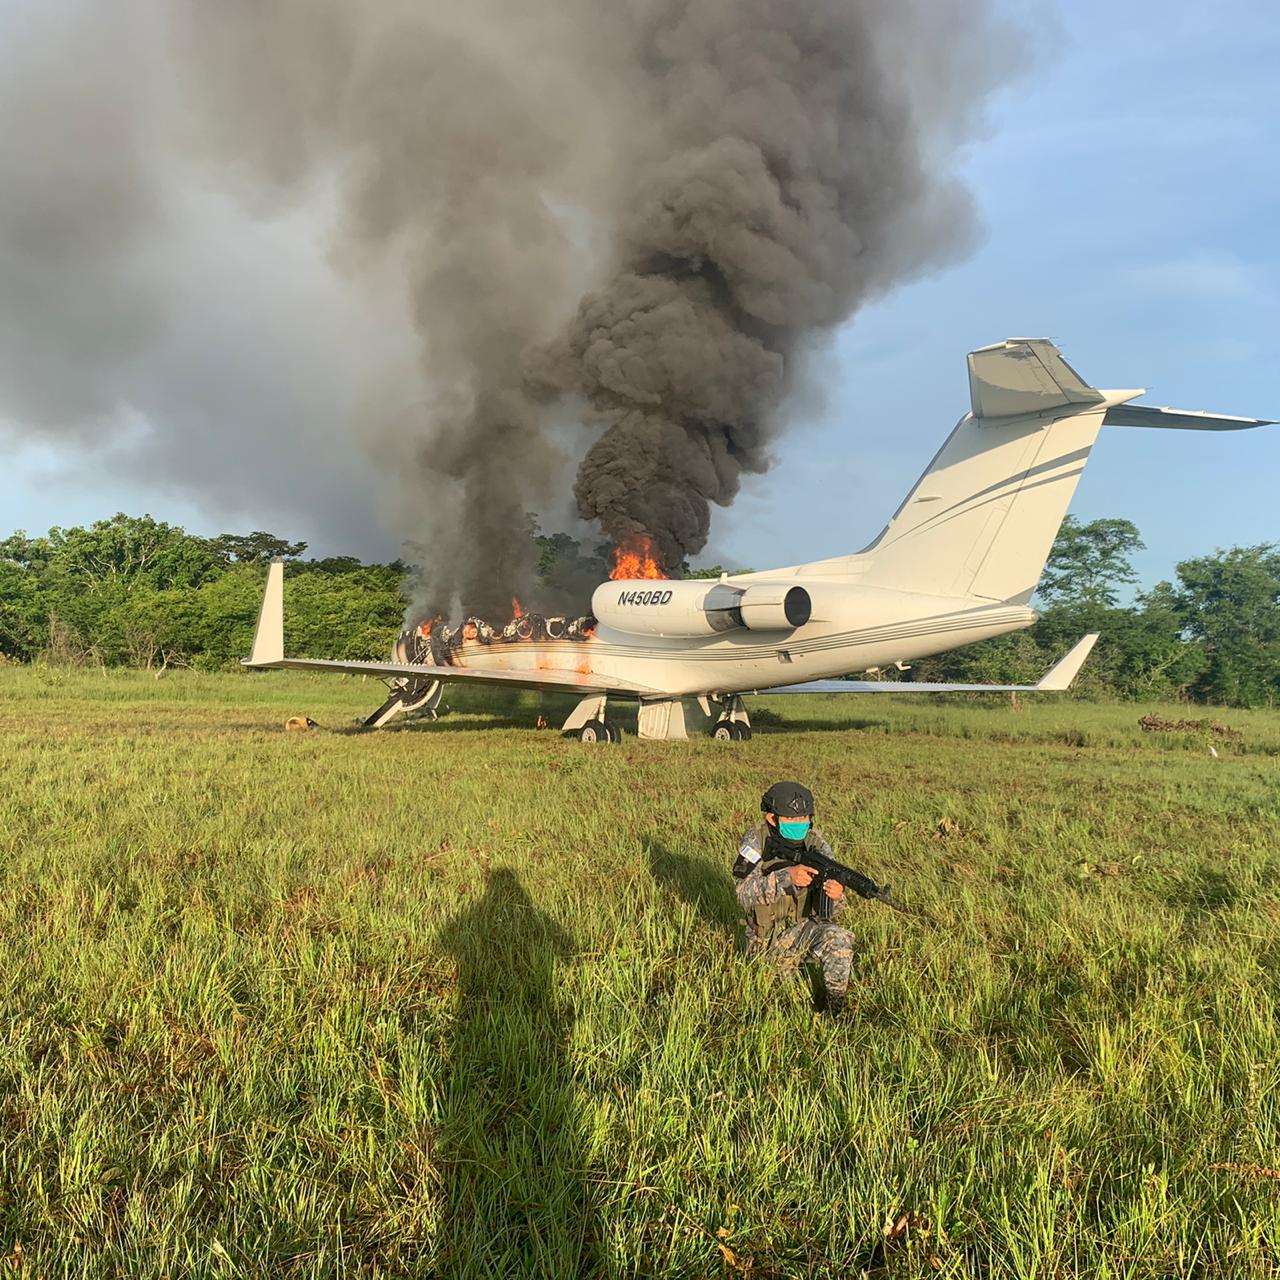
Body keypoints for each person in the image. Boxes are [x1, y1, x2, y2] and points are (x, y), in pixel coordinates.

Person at [732, 780, 856, 1014]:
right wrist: (786, 878)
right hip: (765, 940)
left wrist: (837, 895)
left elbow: (834, 912)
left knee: (840, 939)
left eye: (804, 818)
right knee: (785, 1005)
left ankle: (834, 1008)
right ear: (772, 819)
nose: (799, 824)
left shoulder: (816, 844)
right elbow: (742, 894)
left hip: (802, 929)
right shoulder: (756, 841)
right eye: (791, 820)